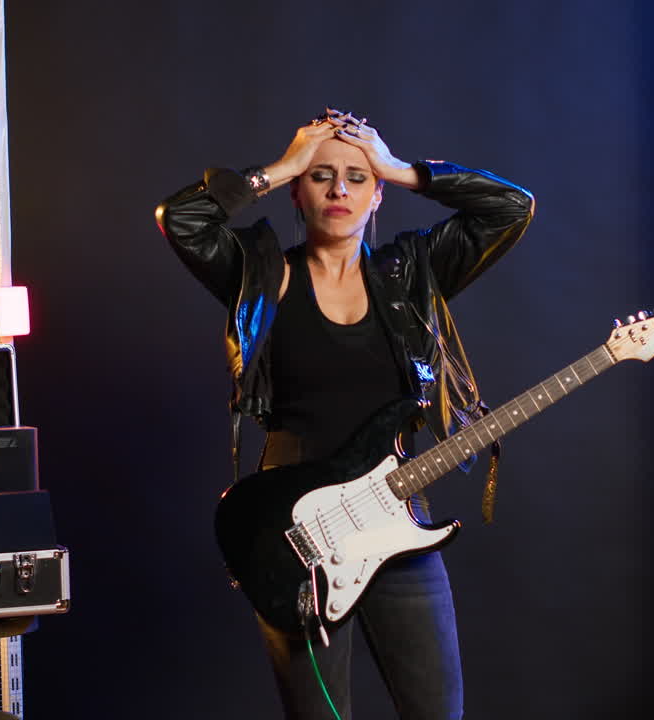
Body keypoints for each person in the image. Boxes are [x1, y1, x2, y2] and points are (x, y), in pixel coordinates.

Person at [155, 107, 534, 720]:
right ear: (299, 194)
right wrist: (280, 166)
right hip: (292, 535)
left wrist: (402, 169)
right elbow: (183, 219)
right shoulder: (260, 274)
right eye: (321, 175)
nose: (339, 190)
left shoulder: (413, 273)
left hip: (398, 521)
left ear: (377, 195)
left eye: (357, 178)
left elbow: (512, 208)